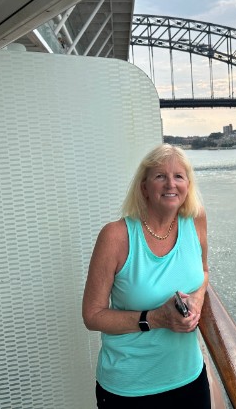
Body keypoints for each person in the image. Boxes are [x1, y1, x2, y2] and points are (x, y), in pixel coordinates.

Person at [82, 144, 210, 408]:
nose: (171, 184)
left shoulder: (195, 219)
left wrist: (196, 300)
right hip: (130, 388)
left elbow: (204, 271)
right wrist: (156, 318)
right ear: (144, 187)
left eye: (179, 176)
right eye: (160, 176)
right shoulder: (115, 236)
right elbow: (92, 315)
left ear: (188, 185)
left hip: (189, 378)